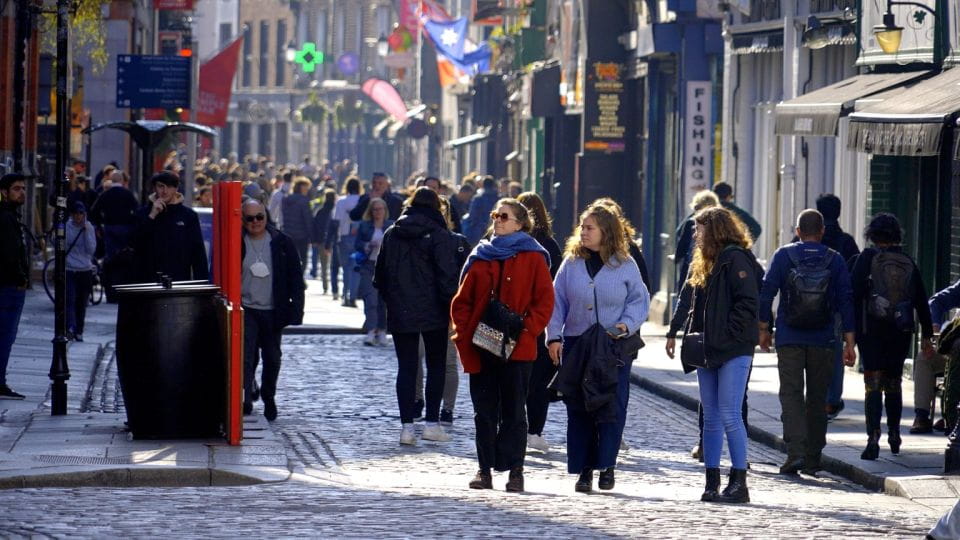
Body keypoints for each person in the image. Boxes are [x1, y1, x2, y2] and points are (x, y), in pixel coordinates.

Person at [451, 198, 554, 492]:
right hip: (481, 345)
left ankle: (516, 470)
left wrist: (528, 330)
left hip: (518, 347)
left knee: (514, 411)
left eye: (504, 216)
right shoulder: (481, 255)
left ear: (520, 223)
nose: (497, 220)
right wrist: (463, 333)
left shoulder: (535, 257)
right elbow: (462, 302)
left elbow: (545, 301)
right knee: (484, 411)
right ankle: (484, 469)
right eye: (495, 215)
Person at [548, 203, 649, 493]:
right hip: (578, 343)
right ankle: (584, 469)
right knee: (579, 407)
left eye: (590, 227)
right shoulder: (571, 263)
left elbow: (639, 300)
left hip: (612, 346)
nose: (584, 232)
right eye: (582, 227)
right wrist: (553, 337)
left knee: (610, 406)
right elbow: (557, 302)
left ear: (607, 232)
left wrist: (625, 325)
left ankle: (607, 465)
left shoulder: (625, 263)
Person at [665, 206, 760, 504]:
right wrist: (678, 330)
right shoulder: (704, 261)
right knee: (711, 418)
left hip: (733, 349)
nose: (694, 234)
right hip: (707, 349)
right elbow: (689, 297)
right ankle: (711, 481)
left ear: (714, 230)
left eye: (699, 229)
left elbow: (748, 303)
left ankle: (739, 482)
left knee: (731, 414)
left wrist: (726, 334)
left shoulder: (736, 258)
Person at [758, 209, 856, 475]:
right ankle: (813, 457)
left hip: (789, 336)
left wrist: (764, 327)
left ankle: (795, 453)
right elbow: (846, 300)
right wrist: (849, 341)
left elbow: (767, 292)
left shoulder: (783, 255)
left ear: (798, 231)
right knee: (817, 397)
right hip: (824, 339)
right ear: (822, 231)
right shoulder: (834, 259)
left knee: (790, 394)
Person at [375, 187, 461, 445]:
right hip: (434, 310)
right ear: (437, 207)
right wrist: (452, 307)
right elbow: (447, 276)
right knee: (435, 367)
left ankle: (407, 428)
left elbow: (380, 275)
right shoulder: (439, 234)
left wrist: (393, 299)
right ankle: (431, 424)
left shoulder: (393, 233)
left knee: (407, 368)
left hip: (401, 309)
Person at [850, 213, 934, 460]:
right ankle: (895, 433)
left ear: (872, 235)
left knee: (873, 383)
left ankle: (873, 437)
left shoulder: (866, 258)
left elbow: (853, 294)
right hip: (900, 331)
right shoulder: (907, 261)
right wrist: (927, 336)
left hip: (871, 331)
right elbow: (921, 300)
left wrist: (849, 335)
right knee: (894, 382)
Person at [240, 199, 305, 421]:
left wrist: (295, 310)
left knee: (272, 358)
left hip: (272, 310)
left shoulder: (281, 242)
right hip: (246, 308)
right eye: (249, 218)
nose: (255, 222)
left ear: (266, 216)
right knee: (246, 356)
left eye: (259, 216)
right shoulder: (238, 241)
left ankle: (268, 396)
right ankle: (246, 397)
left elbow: (296, 278)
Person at [516, 192, 563, 453]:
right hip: (542, 322)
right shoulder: (550, 246)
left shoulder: (510, 242)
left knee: (516, 378)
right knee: (539, 382)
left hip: (515, 319)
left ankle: (514, 426)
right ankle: (534, 431)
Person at [132, 171, 208, 282]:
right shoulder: (142, 213)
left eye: (170, 186)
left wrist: (202, 287)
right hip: (148, 282)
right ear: (155, 188)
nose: (165, 191)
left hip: (178, 282)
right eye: (161, 186)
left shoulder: (188, 216)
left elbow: (198, 253)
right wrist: (152, 216)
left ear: (176, 188)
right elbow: (135, 243)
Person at [0, 173, 29, 400]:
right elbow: (10, 254)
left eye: (23, 189)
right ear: (4, 192)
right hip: (8, 286)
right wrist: (21, 279)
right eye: (17, 189)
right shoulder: (6, 218)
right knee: (5, 335)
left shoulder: (9, 216)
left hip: (8, 284)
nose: (22, 193)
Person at [921, 279, 960, 433]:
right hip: (954, 351)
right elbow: (936, 301)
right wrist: (934, 326)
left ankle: (951, 415)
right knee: (924, 358)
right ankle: (922, 416)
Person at [355, 198, 393, 346]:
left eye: (380, 209)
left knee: (382, 301)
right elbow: (357, 244)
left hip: (384, 267)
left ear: (385, 210)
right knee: (370, 299)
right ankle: (371, 330)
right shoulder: (364, 226)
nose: (378, 212)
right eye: (375, 209)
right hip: (368, 265)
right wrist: (367, 245)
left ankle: (382, 330)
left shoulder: (390, 226)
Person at [675, 190, 721, 292]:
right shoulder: (720, 224)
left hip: (693, 266)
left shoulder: (690, 223)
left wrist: (677, 258)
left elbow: (682, 246)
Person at [65, 202, 97, 342]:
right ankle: (70, 327)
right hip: (70, 269)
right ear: (71, 214)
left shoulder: (88, 227)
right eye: (76, 213)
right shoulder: (66, 227)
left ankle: (79, 331)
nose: (79, 216)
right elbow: (60, 244)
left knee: (82, 302)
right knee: (70, 299)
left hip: (85, 270)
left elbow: (91, 250)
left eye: (81, 213)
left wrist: (86, 233)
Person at [332, 176, 362, 306]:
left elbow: (336, 220)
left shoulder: (341, 202)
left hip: (343, 236)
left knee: (346, 268)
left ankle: (345, 294)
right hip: (359, 237)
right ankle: (353, 296)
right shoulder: (362, 201)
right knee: (356, 267)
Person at [280, 177, 314, 269]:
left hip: (288, 233)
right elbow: (308, 220)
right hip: (302, 235)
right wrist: (312, 236)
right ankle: (298, 278)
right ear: (302, 188)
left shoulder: (286, 199)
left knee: (289, 258)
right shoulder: (304, 201)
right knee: (303, 259)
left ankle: (290, 279)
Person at [310, 189, 337, 292]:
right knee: (333, 265)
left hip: (322, 240)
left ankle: (325, 286)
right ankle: (333, 287)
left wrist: (315, 240)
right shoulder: (335, 210)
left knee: (324, 265)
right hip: (334, 240)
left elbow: (315, 225)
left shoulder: (320, 211)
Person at [462, 175, 500, 245]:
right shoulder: (499, 199)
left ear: (483, 185)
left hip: (479, 232)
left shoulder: (477, 198)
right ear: (493, 185)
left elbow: (473, 216)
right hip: (495, 231)